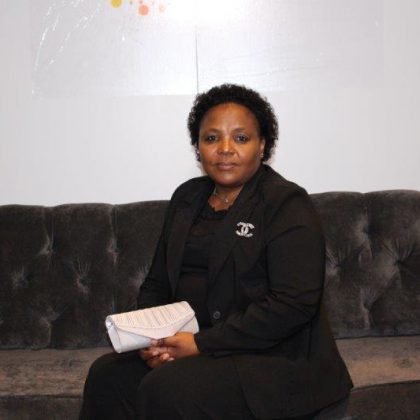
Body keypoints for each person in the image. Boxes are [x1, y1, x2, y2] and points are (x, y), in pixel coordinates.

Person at [80, 84, 353, 419]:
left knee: (167, 389)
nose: (225, 149)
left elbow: (293, 305)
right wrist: (154, 342)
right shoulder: (187, 198)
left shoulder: (285, 203)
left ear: (262, 145)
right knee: (107, 376)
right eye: (211, 138)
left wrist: (200, 345)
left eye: (241, 138)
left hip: (270, 355)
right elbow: (157, 284)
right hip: (196, 345)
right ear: (198, 147)